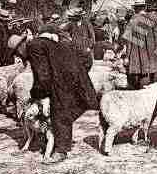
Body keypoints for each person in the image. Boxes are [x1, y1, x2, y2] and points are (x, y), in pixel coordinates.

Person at [19, 23, 98, 163]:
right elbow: (87, 58)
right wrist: (77, 74)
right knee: (64, 114)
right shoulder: (64, 43)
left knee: (59, 113)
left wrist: (42, 94)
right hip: (77, 83)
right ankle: (55, 139)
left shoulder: (35, 46)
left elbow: (42, 74)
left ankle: (60, 150)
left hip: (60, 85)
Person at [123, 0, 156, 89]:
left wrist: (126, 56)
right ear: (144, 7)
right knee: (145, 78)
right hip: (147, 52)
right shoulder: (151, 20)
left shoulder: (132, 20)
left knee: (134, 79)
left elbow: (127, 39)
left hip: (134, 52)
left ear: (136, 8)